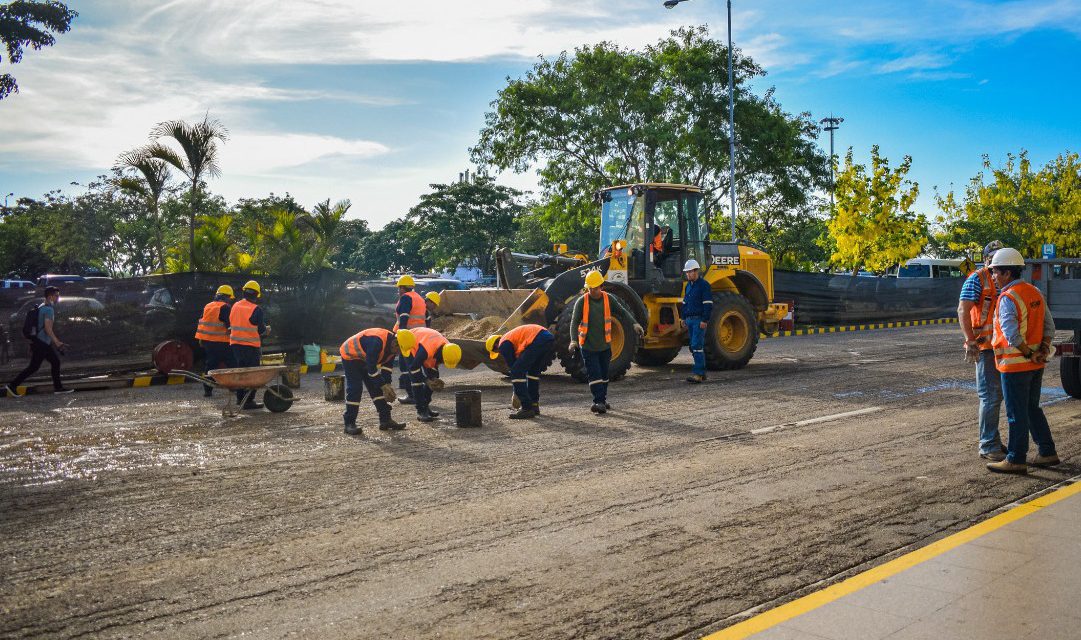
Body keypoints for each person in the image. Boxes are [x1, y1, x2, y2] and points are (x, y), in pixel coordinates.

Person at [984, 248, 1058, 475]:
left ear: (1007, 273)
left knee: (1016, 413)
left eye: (995, 272)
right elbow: (1049, 327)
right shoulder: (1034, 292)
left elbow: (1011, 332)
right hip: (1036, 363)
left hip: (1016, 365)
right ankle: (1046, 451)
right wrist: (1041, 350)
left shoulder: (1008, 297)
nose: (993, 277)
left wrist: (1027, 352)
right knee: (1031, 408)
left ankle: (1016, 458)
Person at [568, 270, 642, 414]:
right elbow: (574, 322)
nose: (593, 291)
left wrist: (634, 323)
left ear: (601, 286)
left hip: (605, 346)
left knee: (604, 374)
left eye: (596, 287)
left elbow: (623, 311)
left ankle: (602, 399)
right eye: (590, 288)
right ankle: (598, 401)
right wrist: (573, 341)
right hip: (588, 346)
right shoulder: (582, 301)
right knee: (594, 374)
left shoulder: (609, 299)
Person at [958, 240, 1006, 460]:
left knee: (999, 396)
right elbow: (963, 309)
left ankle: (993, 440)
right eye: (992, 256)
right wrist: (970, 340)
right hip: (985, 346)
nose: (994, 260)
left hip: (1003, 346)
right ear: (986, 258)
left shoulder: (1005, 278)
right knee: (990, 396)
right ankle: (988, 445)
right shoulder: (977, 279)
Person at [4, 286, 72, 396]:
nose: (58, 298)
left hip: (39, 341)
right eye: (56, 296)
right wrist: (57, 342)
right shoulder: (49, 309)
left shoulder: (41, 306)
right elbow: (47, 328)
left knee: (50, 363)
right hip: (42, 343)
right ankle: (13, 385)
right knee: (37, 366)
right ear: (50, 296)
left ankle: (58, 388)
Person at [340, 327, 408, 435]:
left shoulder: (392, 348)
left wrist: (387, 385)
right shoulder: (376, 342)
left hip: (365, 359)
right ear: (395, 343)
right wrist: (383, 385)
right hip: (350, 356)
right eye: (399, 350)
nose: (399, 354)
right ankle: (349, 423)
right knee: (355, 389)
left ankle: (385, 420)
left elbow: (386, 370)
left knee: (377, 388)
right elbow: (372, 371)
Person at [486, 324, 555, 420]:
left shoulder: (503, 344)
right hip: (547, 338)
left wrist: (516, 393)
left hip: (537, 339)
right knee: (533, 373)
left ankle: (527, 408)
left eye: (497, 351)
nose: (499, 353)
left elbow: (514, 369)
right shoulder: (511, 338)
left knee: (516, 372)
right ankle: (534, 405)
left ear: (496, 345)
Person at [400, 327, 462, 423]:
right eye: (442, 361)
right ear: (442, 355)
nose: (441, 363)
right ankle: (421, 411)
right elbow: (414, 368)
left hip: (427, 344)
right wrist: (426, 380)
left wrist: (432, 379)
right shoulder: (425, 351)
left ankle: (426, 406)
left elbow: (435, 364)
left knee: (433, 378)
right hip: (410, 343)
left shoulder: (448, 348)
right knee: (416, 380)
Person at [229, 280, 270, 410]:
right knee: (252, 374)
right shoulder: (256, 309)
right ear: (256, 294)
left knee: (242, 372)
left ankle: (240, 399)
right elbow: (260, 330)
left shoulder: (235, 306)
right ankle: (248, 401)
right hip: (250, 346)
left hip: (236, 345)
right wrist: (267, 330)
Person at [195, 285, 236, 398]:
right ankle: (235, 387)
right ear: (226, 297)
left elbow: (202, 323)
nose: (230, 300)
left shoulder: (208, 306)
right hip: (223, 342)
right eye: (229, 298)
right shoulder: (225, 307)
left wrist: (201, 339)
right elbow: (230, 326)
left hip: (208, 342)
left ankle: (207, 390)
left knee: (211, 365)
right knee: (232, 364)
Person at [394, 275, 427, 405]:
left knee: (405, 366)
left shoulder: (406, 298)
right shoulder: (419, 298)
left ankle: (411, 395)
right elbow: (426, 317)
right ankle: (419, 393)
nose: (398, 291)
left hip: (407, 337)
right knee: (415, 365)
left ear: (402, 288)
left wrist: (401, 335)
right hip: (419, 336)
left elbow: (404, 317)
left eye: (399, 288)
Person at [681, 259, 712, 384]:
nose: (688, 274)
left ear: (696, 271)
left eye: (690, 272)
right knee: (693, 346)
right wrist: (683, 318)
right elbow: (685, 303)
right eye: (687, 272)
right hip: (690, 320)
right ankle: (702, 372)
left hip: (699, 320)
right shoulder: (688, 286)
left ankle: (698, 374)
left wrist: (705, 320)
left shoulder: (704, 285)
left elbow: (708, 304)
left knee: (696, 346)